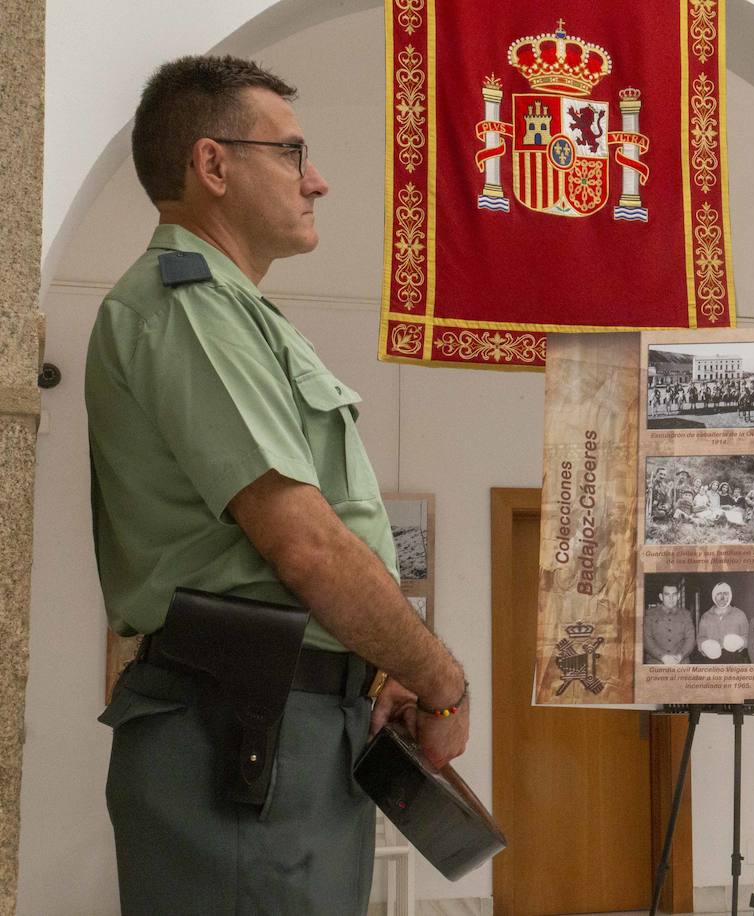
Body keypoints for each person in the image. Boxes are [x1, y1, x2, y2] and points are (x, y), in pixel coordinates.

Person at [85, 56, 468, 914]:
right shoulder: (184, 304)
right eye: (292, 153)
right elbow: (307, 544)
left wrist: (381, 664)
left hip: (283, 728)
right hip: (241, 732)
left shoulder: (238, 314)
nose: (318, 180)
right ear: (213, 166)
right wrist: (441, 681)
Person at [696, 582, 750, 663]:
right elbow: (700, 637)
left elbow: (748, 636)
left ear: (730, 595)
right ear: (714, 596)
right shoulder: (705, 616)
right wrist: (703, 647)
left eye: (725, 593)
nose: (722, 597)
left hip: (733, 659)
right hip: (711, 660)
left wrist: (741, 642)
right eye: (719, 594)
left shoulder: (739, 614)